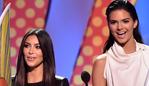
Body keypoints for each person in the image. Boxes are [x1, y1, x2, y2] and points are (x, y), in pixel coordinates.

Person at [92, 0, 149, 86]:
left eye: (125, 21)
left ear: (135, 23)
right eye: (114, 22)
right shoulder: (102, 63)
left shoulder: (147, 55)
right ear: (108, 25)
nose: (119, 27)